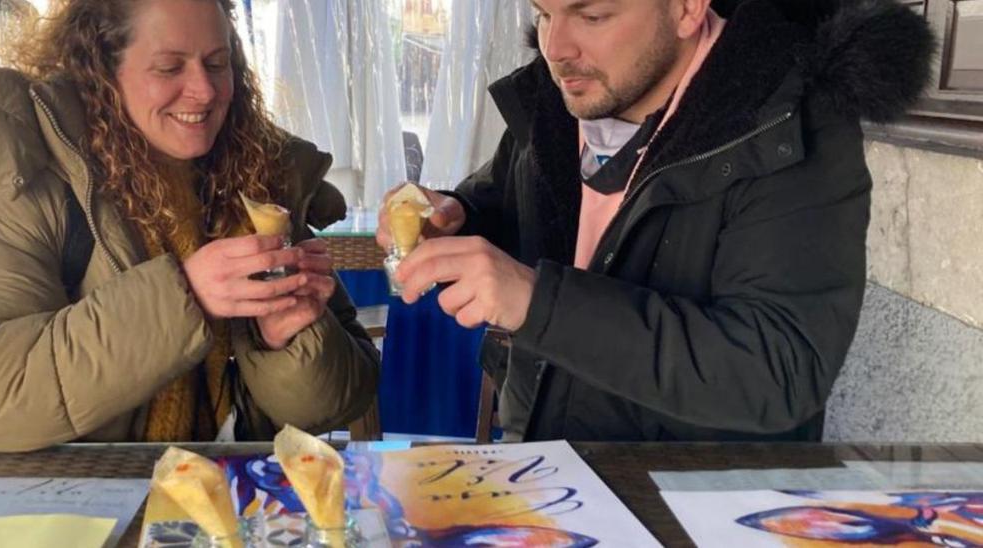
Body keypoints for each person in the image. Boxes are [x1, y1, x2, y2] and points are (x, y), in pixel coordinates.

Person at [377, 0, 932, 442]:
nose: (555, 48)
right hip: (543, 465)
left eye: (591, 15)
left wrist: (535, 301)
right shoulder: (558, 100)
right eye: (544, 14)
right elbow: (502, 199)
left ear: (688, 8)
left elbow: (778, 371)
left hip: (694, 505)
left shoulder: (787, 127)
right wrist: (455, 217)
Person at [0, 0, 380, 452]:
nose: (205, 90)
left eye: (217, 64)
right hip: (85, 516)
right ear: (102, 70)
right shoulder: (32, 191)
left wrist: (289, 338)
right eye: (169, 68)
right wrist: (185, 297)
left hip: (228, 503)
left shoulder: (261, 180)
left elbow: (341, 399)